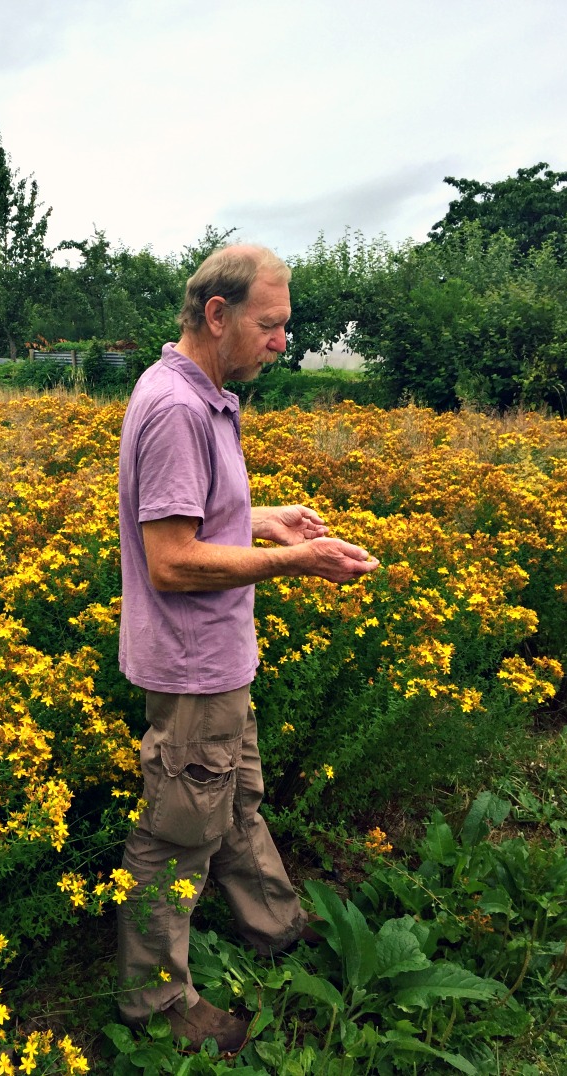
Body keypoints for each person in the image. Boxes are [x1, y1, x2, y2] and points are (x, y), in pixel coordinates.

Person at [116, 243, 380, 1052]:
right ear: (218, 315)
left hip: (219, 658)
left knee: (234, 801)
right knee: (177, 832)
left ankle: (275, 926)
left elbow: (189, 518)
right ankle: (157, 1005)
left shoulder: (206, 397)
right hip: (193, 666)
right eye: (270, 326)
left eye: (285, 326)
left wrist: (264, 518)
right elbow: (171, 559)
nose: (281, 342)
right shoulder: (178, 409)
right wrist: (295, 560)